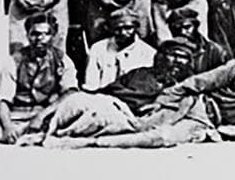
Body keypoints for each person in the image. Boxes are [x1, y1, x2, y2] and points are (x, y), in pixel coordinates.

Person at [30, 38, 200, 147]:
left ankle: (54, 133)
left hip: (127, 116)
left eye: (183, 58)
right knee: (77, 100)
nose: (178, 61)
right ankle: (43, 125)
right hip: (110, 101)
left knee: (97, 114)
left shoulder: (186, 89)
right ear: (161, 57)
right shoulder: (141, 72)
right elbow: (111, 88)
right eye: (173, 55)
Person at [0, 14, 79, 144]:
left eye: (46, 34)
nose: (40, 39)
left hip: (49, 114)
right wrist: (7, 126)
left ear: (53, 36)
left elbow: (71, 93)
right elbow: (3, 100)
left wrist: (41, 116)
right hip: (18, 115)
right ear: (27, 35)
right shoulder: (14, 61)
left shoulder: (62, 59)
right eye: (35, 34)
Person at [84, 9, 157, 91]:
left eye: (128, 28)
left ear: (136, 27)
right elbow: (91, 84)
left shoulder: (148, 53)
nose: (123, 32)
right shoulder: (98, 49)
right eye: (117, 29)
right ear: (111, 29)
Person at [166, 6, 230, 73]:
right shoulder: (167, 52)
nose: (182, 32)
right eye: (176, 29)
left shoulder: (214, 51)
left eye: (187, 27)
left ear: (195, 26)